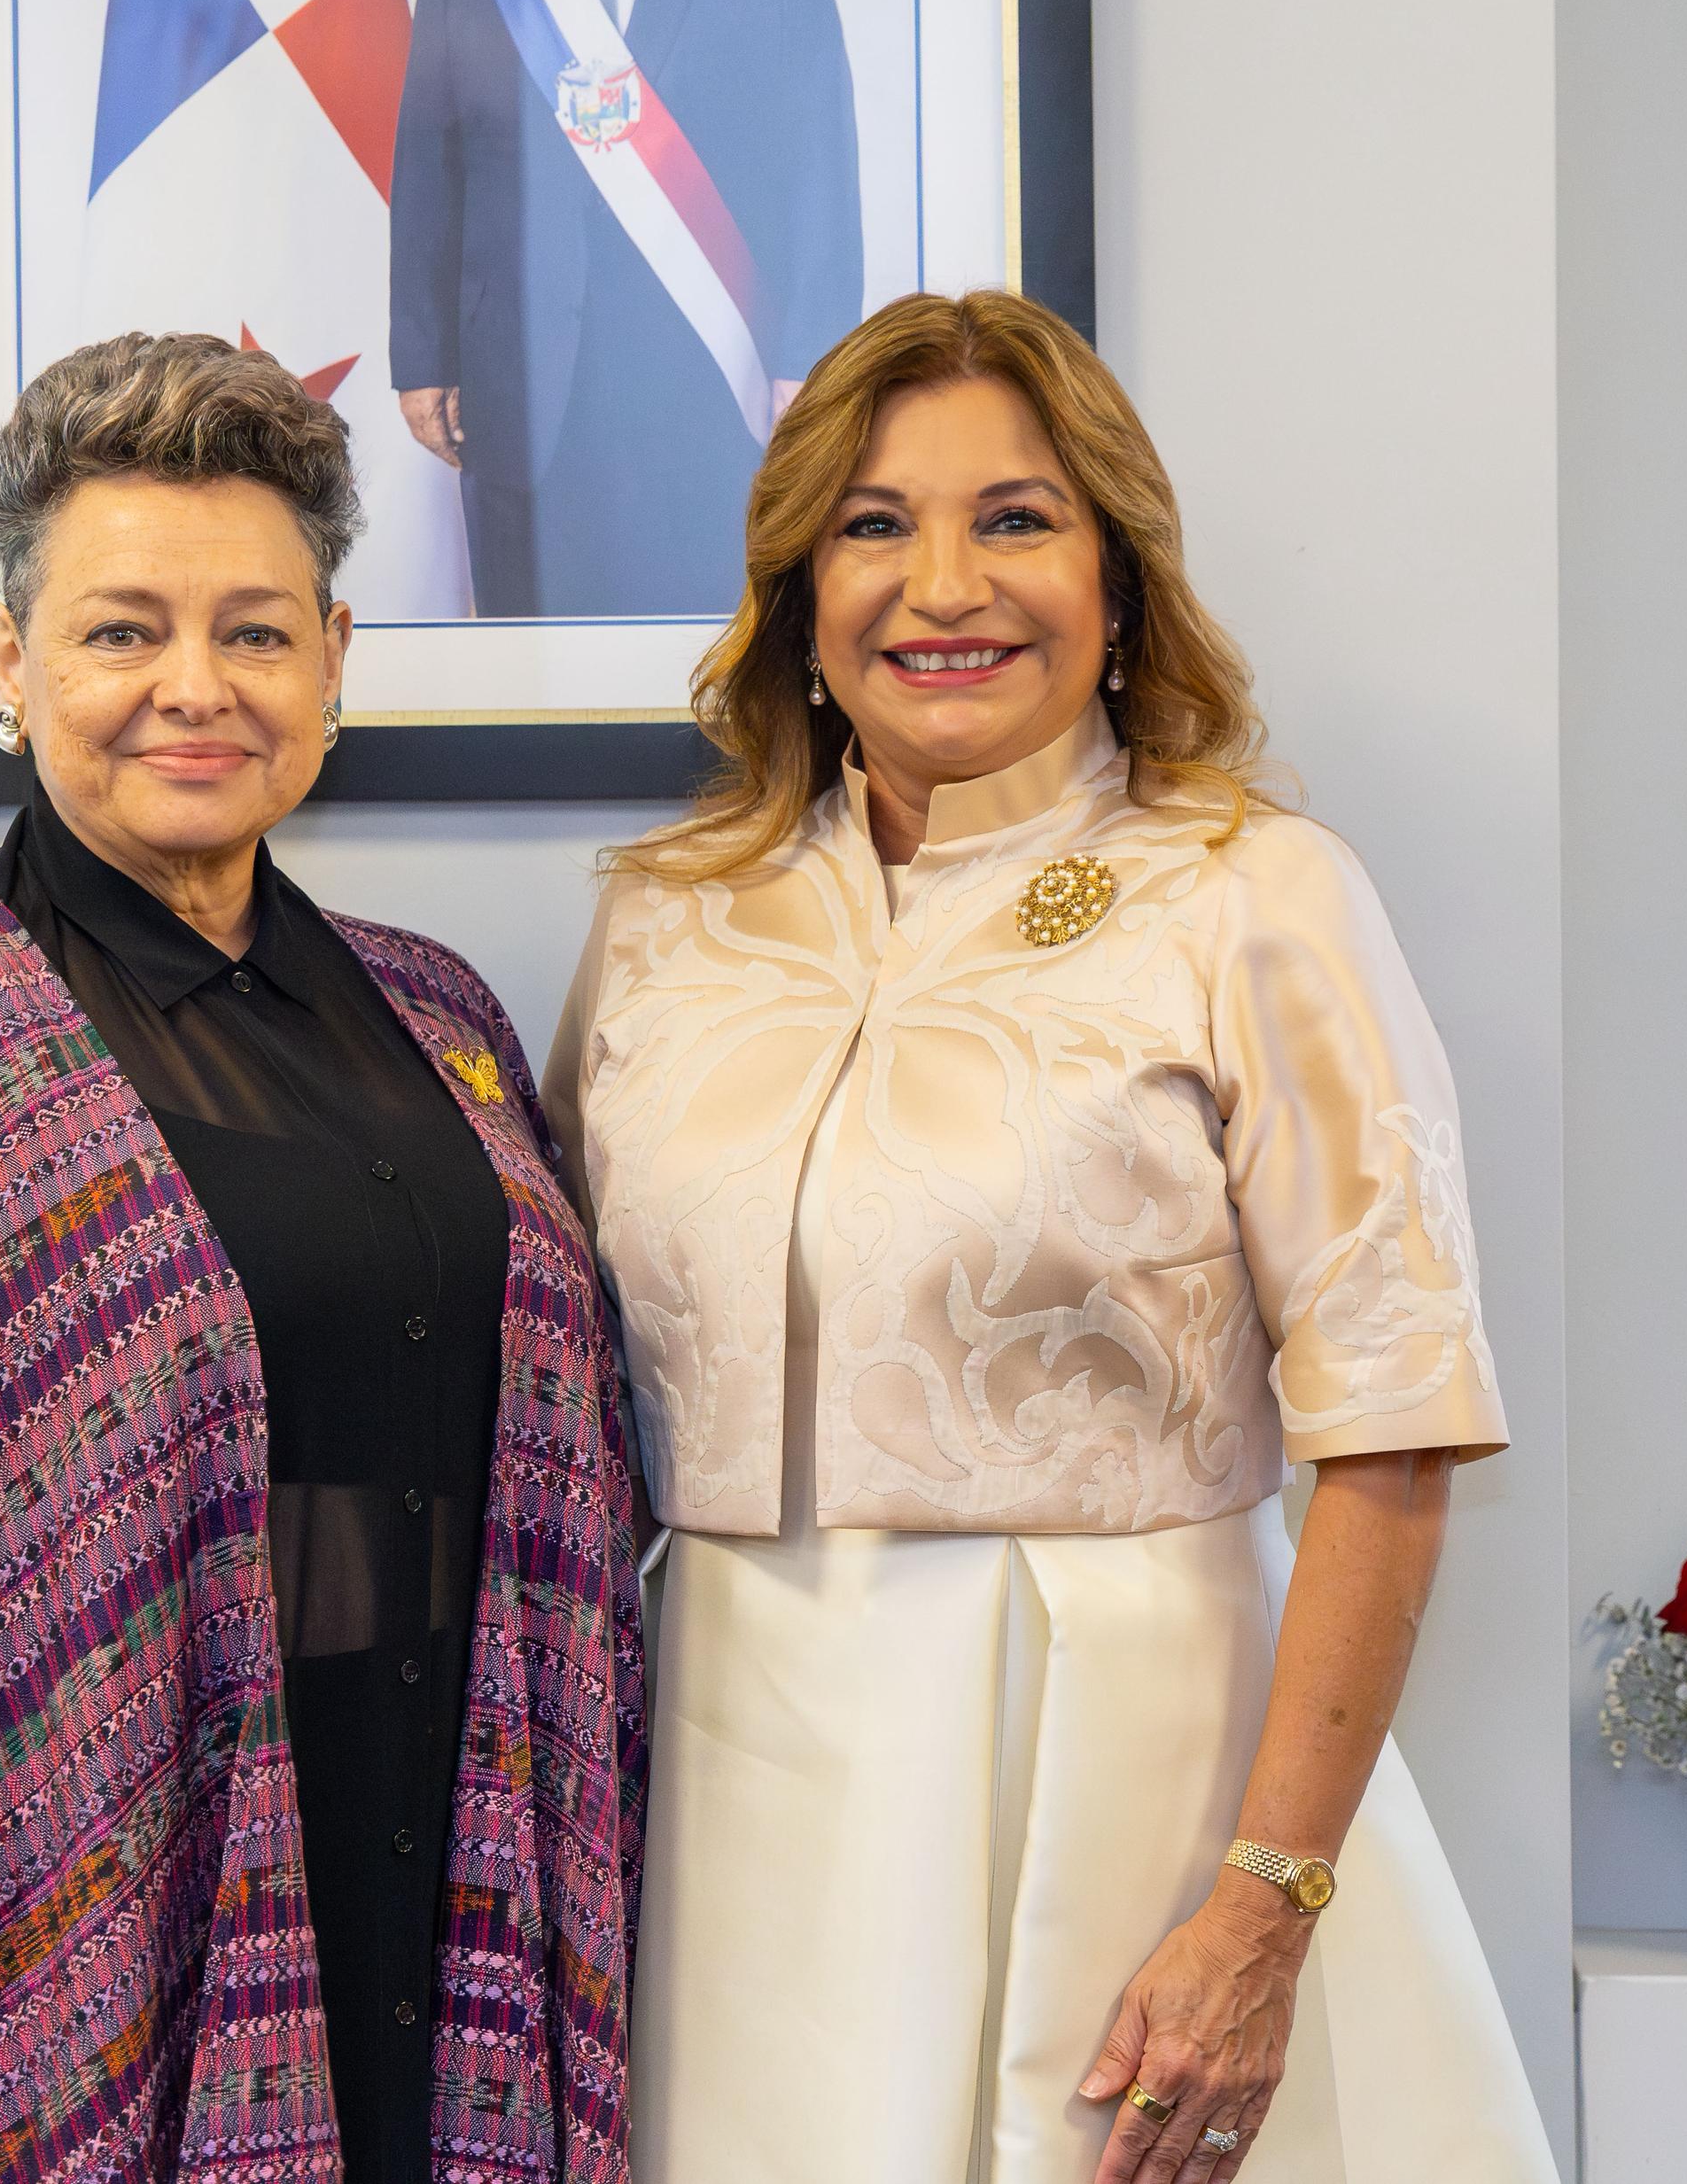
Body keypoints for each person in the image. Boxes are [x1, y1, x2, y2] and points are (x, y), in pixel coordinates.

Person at [546, 291, 1559, 2184]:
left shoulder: (1254, 895)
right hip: (725, 1759)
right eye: (874, 523)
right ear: (799, 589)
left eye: (1014, 517)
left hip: (1135, 1766)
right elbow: (553, 1384)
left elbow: (1396, 1434)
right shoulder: (668, 914)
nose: (944, 584)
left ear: (1117, 574)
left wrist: (1262, 1905)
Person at [0, 333, 649, 2184]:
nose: (196, 685)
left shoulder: (439, 1014)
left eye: (255, 629)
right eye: (122, 630)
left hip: (434, 1855)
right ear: (10, 658)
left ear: (333, 659)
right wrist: (31, 1949)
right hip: (71, 1918)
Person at [390, 0, 863, 619]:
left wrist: (814, 357)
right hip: (520, 380)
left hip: (709, 375)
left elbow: (819, 159)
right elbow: (428, 171)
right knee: (529, 654)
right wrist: (422, 357)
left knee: (712, 650)